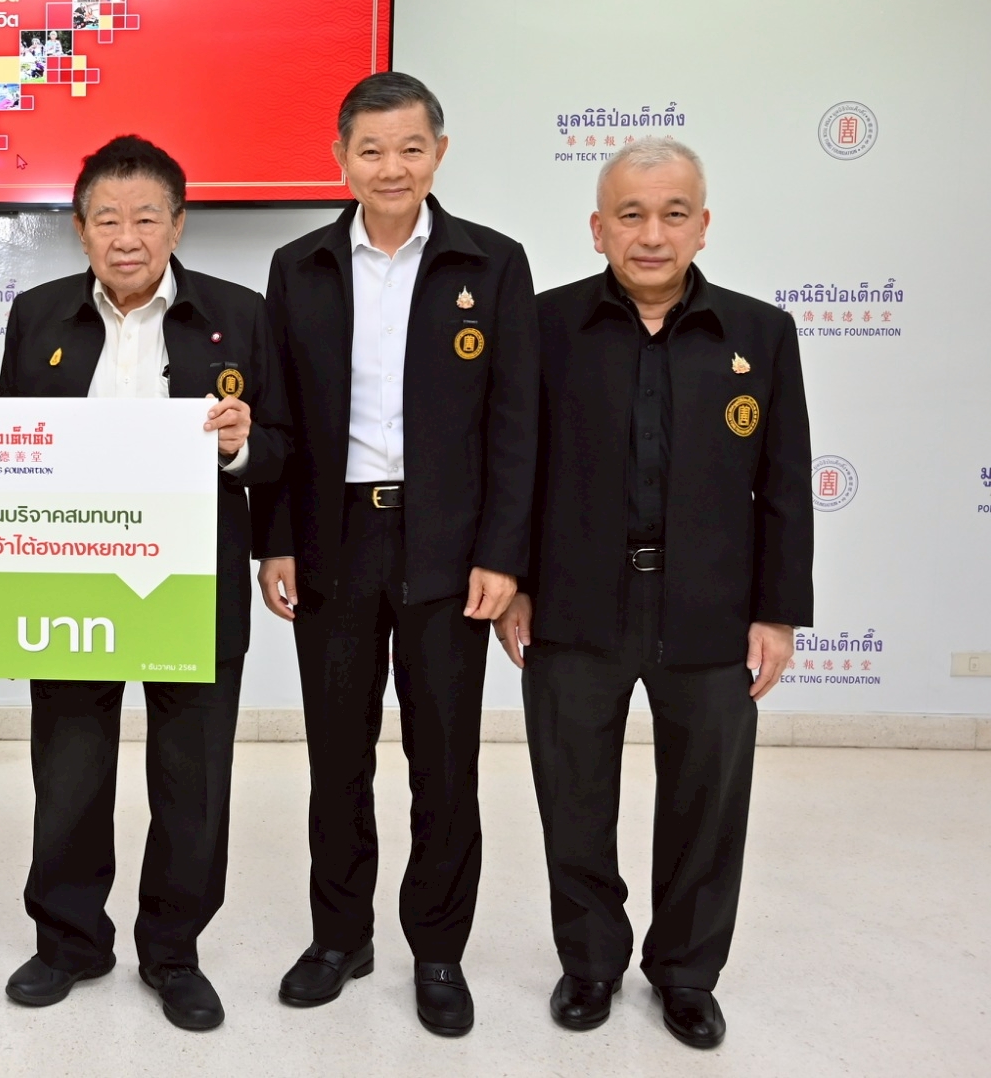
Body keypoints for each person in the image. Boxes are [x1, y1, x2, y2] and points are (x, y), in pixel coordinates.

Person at [492, 138, 811, 1049]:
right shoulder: (545, 326)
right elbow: (514, 465)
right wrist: (514, 583)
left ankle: (686, 973)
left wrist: (777, 612)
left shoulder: (760, 333)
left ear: (703, 225)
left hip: (712, 609)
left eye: (674, 214)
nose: (652, 235)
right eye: (630, 215)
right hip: (573, 604)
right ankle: (590, 962)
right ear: (598, 229)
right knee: (574, 796)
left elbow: (785, 484)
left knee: (708, 802)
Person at [253, 72, 537, 1037]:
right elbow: (281, 417)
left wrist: (503, 554)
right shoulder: (299, 266)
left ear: (439, 155)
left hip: (449, 549)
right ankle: (340, 937)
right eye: (370, 150)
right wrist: (277, 541)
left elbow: (517, 424)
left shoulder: (492, 264)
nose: (390, 167)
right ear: (340, 159)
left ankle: (439, 950)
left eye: (411, 148)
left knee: (443, 762)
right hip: (332, 538)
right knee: (337, 757)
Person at [0, 136, 290, 1032]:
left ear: (178, 224)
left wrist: (239, 445)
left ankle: (173, 951)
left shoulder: (238, 314)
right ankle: (69, 942)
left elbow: (285, 449)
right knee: (69, 771)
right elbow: (9, 452)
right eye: (107, 220)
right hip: (71, 582)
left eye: (146, 218)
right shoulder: (37, 316)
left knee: (191, 778)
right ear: (80, 228)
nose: (127, 238)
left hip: (192, 581)